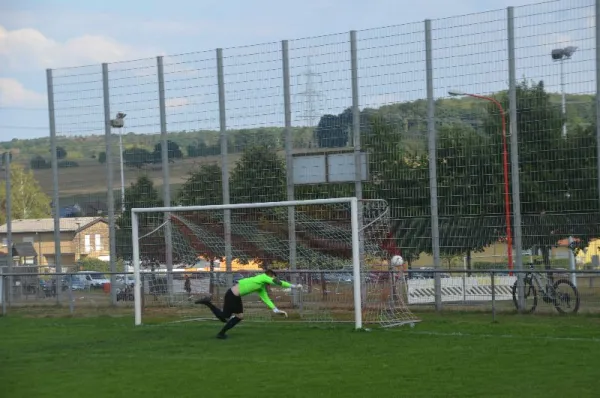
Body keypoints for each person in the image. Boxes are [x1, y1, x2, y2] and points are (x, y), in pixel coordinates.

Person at [195, 269, 301, 339]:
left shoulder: (261, 285)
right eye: (272, 277)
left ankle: (220, 333)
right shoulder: (263, 277)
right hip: (232, 295)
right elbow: (279, 282)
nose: (272, 280)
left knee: (232, 317)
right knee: (229, 317)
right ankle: (209, 305)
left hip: (234, 296)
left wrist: (276, 310)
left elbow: (266, 299)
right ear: (269, 275)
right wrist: (295, 286)